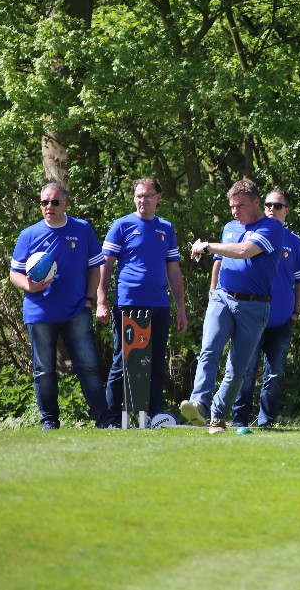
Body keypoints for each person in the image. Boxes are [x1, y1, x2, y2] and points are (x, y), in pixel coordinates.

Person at [181, 179, 284, 433]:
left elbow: (243, 251)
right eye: (231, 207)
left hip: (255, 306)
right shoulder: (229, 227)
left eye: (240, 206)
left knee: (237, 369)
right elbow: (220, 260)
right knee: (209, 349)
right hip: (223, 297)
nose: (234, 211)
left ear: (256, 202)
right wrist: (212, 290)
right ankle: (199, 404)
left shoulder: (272, 227)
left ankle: (217, 416)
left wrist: (206, 246)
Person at [10, 183, 116, 429]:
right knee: (44, 370)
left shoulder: (82, 229)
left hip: (76, 311)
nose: (49, 206)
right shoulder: (28, 235)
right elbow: (14, 273)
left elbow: (95, 268)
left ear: (66, 204)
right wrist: (28, 286)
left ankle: (105, 420)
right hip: (40, 313)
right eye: (45, 202)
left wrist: (89, 300)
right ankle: (49, 422)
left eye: (55, 202)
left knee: (88, 366)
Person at [96, 178, 188, 421]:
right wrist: (101, 301)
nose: (142, 200)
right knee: (122, 362)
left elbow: (174, 270)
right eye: (138, 196)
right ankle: (112, 418)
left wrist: (180, 308)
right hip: (129, 303)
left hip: (159, 304)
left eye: (147, 195)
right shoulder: (122, 225)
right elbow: (105, 266)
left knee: (156, 363)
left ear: (158, 198)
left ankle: (153, 416)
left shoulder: (166, 228)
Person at [230, 189, 300, 430]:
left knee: (274, 373)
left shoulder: (295, 242)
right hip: (251, 316)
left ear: (287, 210)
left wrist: (295, 313)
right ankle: (239, 419)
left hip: (281, 320)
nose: (271, 209)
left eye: (277, 206)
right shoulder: (249, 235)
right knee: (246, 369)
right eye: (268, 205)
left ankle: (266, 421)